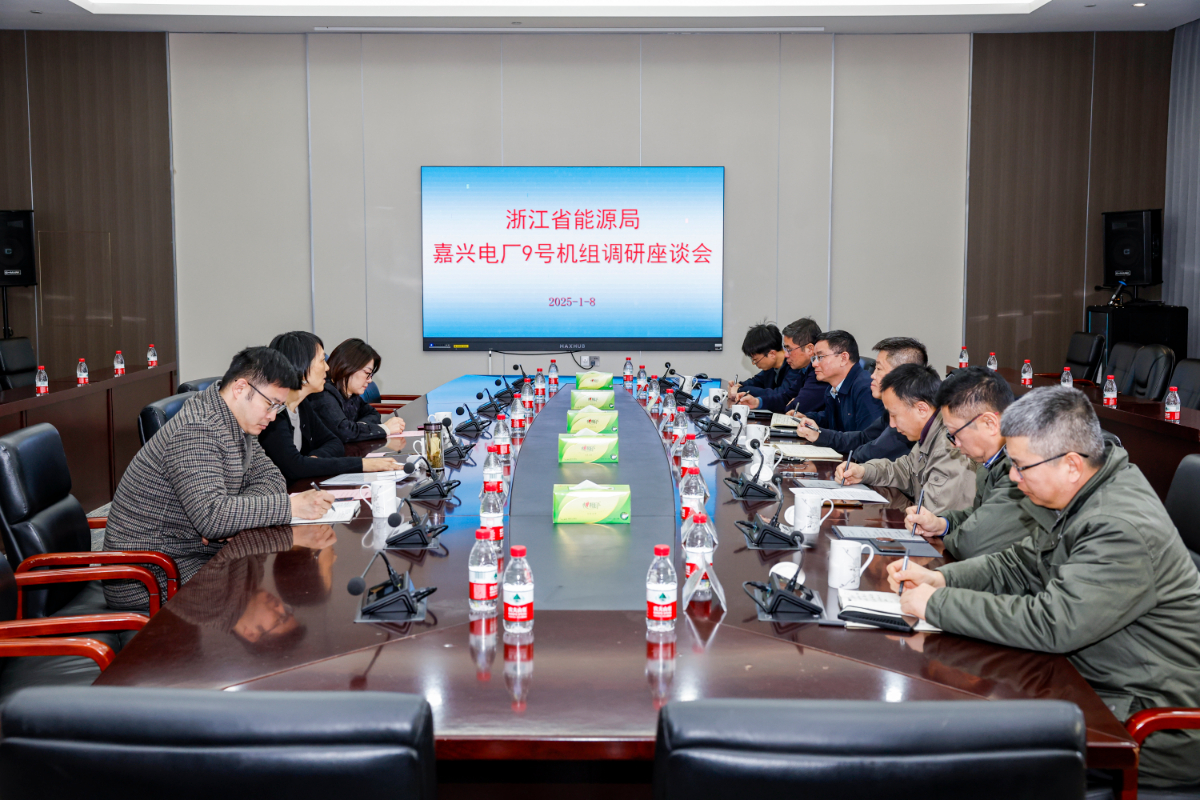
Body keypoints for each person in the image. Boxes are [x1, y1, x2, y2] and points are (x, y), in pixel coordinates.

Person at [889, 386, 1200, 790]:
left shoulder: (1118, 526)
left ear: (1070, 464)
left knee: (965, 748)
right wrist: (945, 578)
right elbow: (1022, 563)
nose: (1013, 477)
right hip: (1090, 683)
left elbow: (1053, 624)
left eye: (1021, 467)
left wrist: (938, 604)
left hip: (1147, 722)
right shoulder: (1083, 493)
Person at [103, 346, 336, 611]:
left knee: (265, 568)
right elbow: (213, 517)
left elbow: (272, 478)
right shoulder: (196, 429)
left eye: (278, 407)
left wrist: (232, 517)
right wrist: (290, 506)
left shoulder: (238, 422)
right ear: (240, 388)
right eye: (270, 404)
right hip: (149, 574)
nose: (272, 416)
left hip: (191, 555)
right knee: (261, 587)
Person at [904, 366, 1036, 559]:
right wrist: (941, 524)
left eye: (954, 434)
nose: (954, 444)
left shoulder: (1021, 469)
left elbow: (973, 543)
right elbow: (978, 516)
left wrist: (949, 536)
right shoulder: (990, 461)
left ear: (989, 423)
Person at [259, 331, 401, 485]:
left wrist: (312, 461)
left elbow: (334, 442)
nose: (327, 367)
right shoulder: (273, 413)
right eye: (322, 361)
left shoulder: (302, 405)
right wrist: (363, 464)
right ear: (302, 366)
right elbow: (295, 467)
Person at [836, 363, 976, 514]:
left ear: (922, 409)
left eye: (894, 415)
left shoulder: (950, 449)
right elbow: (906, 470)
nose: (892, 424)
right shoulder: (929, 431)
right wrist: (864, 472)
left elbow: (933, 520)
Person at [790, 336, 921, 462]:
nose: (872, 375)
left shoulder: (909, 416)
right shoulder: (891, 411)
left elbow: (871, 452)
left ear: (902, 374)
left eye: (879, 369)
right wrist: (819, 434)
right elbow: (863, 438)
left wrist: (854, 451)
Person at [307, 338, 405, 443]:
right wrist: (385, 429)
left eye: (371, 375)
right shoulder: (323, 394)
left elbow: (373, 414)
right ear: (348, 368)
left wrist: (359, 428)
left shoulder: (350, 395)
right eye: (367, 373)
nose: (370, 380)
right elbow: (344, 432)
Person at [733, 318, 825, 414]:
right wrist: (757, 402)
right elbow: (785, 397)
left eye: (789, 350)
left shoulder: (819, 373)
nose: (786, 355)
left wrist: (792, 403)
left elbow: (796, 407)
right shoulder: (805, 370)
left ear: (809, 349)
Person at [799, 330, 883, 435]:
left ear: (843, 358)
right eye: (814, 358)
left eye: (820, 357)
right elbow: (831, 419)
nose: (814, 364)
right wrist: (806, 417)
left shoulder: (866, 389)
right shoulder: (832, 388)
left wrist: (822, 437)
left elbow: (866, 438)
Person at [728, 323, 800, 412]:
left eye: (756, 360)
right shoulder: (771, 368)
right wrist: (738, 385)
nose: (754, 363)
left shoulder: (795, 367)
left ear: (772, 354)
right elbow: (756, 381)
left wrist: (740, 390)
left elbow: (780, 393)